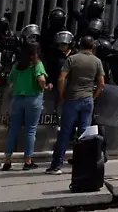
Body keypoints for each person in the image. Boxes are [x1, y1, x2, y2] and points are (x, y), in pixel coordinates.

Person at [47, 36, 105, 175]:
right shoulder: (97, 61)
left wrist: (62, 94)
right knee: (84, 135)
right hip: (88, 99)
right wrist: (93, 96)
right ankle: (82, 165)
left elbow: (61, 78)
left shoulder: (72, 59)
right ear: (92, 47)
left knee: (65, 132)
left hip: (72, 98)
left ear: (79, 45)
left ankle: (57, 165)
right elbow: (101, 83)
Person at [3, 41, 49, 171]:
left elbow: (10, 80)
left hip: (17, 99)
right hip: (33, 98)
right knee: (30, 130)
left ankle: (7, 160)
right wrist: (43, 88)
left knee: (13, 129)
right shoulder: (37, 64)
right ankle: (27, 161)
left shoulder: (17, 65)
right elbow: (41, 79)